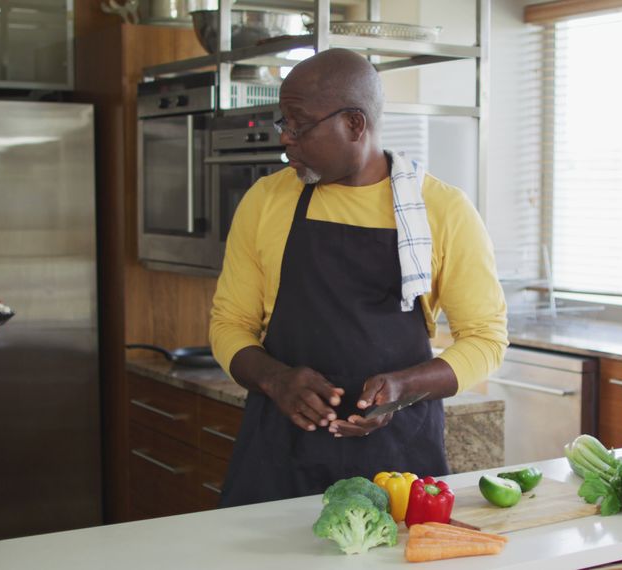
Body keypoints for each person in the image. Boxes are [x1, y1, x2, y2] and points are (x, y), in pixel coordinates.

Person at [209, 49, 508, 505]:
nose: (286, 139)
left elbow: (486, 339)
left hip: (397, 460)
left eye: (299, 124)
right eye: (283, 124)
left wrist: (406, 388)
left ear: (354, 123)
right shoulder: (266, 200)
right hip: (278, 454)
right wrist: (275, 380)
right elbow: (228, 323)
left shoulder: (442, 210)